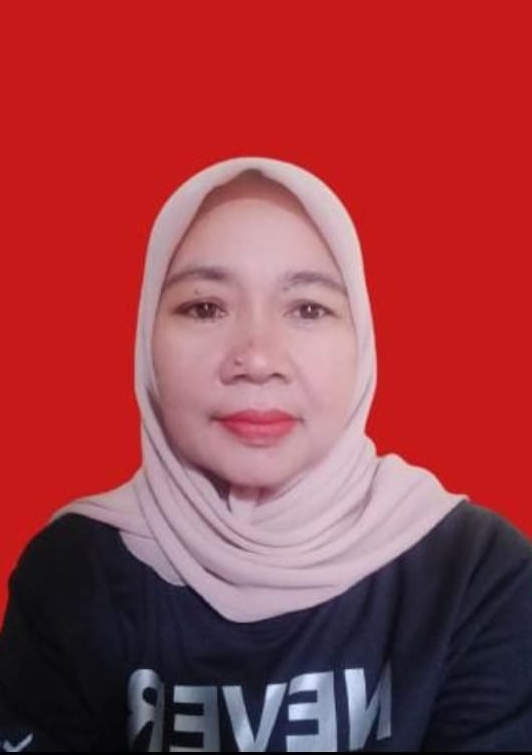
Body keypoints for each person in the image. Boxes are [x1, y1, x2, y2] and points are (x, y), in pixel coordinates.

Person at [0, 156, 531, 753]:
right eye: (205, 307)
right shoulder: (71, 574)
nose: (256, 359)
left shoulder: (476, 574)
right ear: (147, 340)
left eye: (308, 309)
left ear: (362, 341)